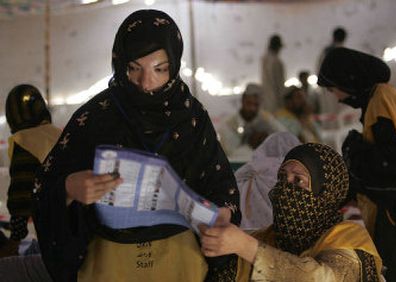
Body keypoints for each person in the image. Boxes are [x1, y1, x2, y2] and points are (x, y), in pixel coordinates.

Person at [33, 9, 241, 282]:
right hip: (109, 265)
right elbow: (43, 187)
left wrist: (222, 213)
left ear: (175, 63)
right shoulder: (96, 117)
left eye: (160, 69)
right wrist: (69, 188)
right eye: (134, 68)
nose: (146, 83)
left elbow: (219, 182)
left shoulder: (191, 116)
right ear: (120, 63)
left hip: (181, 262)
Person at [199, 143, 383, 281]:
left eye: (298, 181)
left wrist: (247, 248)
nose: (285, 189)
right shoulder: (268, 238)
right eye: (281, 178)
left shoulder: (349, 238)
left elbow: (322, 277)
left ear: (326, 193)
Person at [318, 47, 396, 282]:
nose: (336, 97)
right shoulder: (377, 99)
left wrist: (354, 151)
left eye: (333, 89)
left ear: (348, 80)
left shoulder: (381, 97)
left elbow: (390, 162)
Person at [0, 84, 61, 258]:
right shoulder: (58, 134)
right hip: (77, 226)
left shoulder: (25, 141)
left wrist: (14, 242)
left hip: (53, 230)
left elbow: (21, 195)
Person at [235, 132, 300, 230]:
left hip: (244, 233)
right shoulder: (296, 174)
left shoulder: (255, 166)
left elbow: (235, 179)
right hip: (278, 234)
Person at [218, 83, 285, 161]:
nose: (252, 108)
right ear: (242, 101)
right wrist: (249, 144)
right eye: (249, 103)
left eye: (256, 105)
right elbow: (229, 152)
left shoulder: (266, 119)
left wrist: (267, 140)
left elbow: (285, 137)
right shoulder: (229, 123)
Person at [261, 34, 286, 112]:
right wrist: (282, 102)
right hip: (276, 102)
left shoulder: (264, 59)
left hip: (266, 100)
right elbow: (279, 84)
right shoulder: (276, 62)